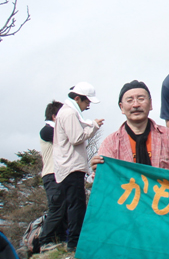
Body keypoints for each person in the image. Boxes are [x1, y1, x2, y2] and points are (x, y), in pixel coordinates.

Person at [91, 80, 169, 172]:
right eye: (129, 100)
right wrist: (98, 169)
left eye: (141, 99)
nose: (136, 105)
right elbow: (103, 182)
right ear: (122, 107)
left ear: (150, 104)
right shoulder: (110, 143)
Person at [52, 82, 104, 253]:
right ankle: (74, 242)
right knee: (77, 205)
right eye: (86, 101)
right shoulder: (68, 113)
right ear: (77, 98)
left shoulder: (67, 112)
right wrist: (94, 127)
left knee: (72, 204)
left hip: (68, 166)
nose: (88, 105)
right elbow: (76, 138)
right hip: (71, 166)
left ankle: (73, 240)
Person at [38, 100, 66, 251]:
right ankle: (45, 241)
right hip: (52, 174)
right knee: (56, 208)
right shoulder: (47, 130)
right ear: (55, 116)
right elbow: (65, 138)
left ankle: (61, 239)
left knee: (65, 208)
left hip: (61, 174)